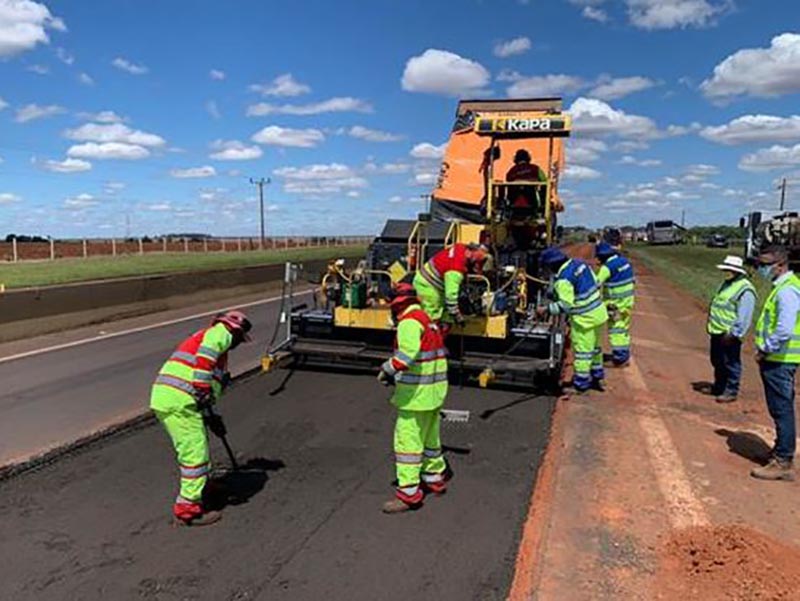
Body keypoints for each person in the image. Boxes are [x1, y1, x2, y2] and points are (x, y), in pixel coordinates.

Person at [150, 310, 253, 526]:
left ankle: (204, 485)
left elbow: (202, 380)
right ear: (235, 330)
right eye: (239, 340)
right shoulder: (221, 333)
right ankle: (187, 510)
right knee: (194, 454)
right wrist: (203, 389)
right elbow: (205, 360)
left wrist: (210, 415)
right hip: (179, 401)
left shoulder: (212, 341)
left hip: (178, 400)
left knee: (200, 443)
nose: (237, 344)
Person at [378, 283, 449, 513]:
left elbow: (406, 356)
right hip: (434, 392)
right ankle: (434, 478)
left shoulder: (409, 323)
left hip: (416, 396)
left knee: (407, 443)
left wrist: (387, 369)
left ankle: (408, 493)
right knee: (430, 439)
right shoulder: (426, 319)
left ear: (396, 305)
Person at [752, 247, 800, 481]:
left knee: (781, 409)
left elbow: (784, 329)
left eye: (765, 264)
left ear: (780, 265)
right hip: (782, 358)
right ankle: (781, 451)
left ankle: (783, 460)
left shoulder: (786, 291)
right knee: (781, 408)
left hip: (779, 359)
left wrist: (765, 349)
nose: (761, 268)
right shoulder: (785, 287)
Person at [538, 247, 609, 392]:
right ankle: (597, 378)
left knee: (583, 353)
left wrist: (546, 309)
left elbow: (566, 306)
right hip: (599, 314)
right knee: (595, 349)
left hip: (585, 320)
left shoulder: (563, 279)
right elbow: (595, 282)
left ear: (551, 265)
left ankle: (580, 385)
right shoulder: (580, 263)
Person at [706, 255, 756, 403]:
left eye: (730, 269)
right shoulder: (727, 284)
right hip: (717, 330)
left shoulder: (745, 289)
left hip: (729, 334)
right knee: (717, 360)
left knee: (731, 362)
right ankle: (719, 386)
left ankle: (731, 390)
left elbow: (744, 316)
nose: (727, 272)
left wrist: (735, 333)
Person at [413, 242, 489, 325]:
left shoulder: (461, 248)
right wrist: (457, 315)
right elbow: (451, 295)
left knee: (445, 317)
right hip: (428, 286)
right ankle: (431, 333)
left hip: (432, 283)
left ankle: (443, 327)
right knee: (432, 318)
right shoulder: (455, 269)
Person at [595, 242, 636, 367]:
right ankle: (624, 354)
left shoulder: (607, 268)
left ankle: (620, 358)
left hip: (615, 305)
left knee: (616, 330)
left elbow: (596, 284)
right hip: (627, 303)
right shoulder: (624, 261)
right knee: (624, 328)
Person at [505, 149, 547, 214]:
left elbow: (508, 180)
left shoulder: (512, 170)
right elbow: (544, 180)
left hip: (513, 198)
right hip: (531, 197)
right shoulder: (535, 168)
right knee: (545, 187)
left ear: (516, 159)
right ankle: (543, 207)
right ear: (528, 158)